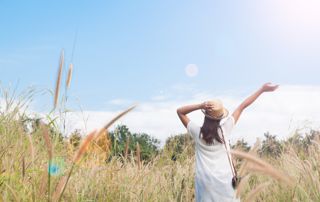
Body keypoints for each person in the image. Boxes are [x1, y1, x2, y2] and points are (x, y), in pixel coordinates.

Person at [177, 83, 279, 202]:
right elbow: (242, 106)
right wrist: (262, 89)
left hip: (205, 182)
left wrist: (200, 105)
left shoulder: (197, 132)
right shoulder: (225, 130)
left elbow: (180, 112)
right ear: (220, 117)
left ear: (205, 115)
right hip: (225, 181)